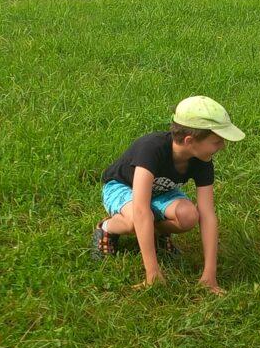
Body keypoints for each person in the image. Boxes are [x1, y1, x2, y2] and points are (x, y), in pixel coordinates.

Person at [92, 95, 245, 291]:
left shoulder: (202, 160)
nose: (222, 146)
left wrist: (210, 274)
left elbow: (207, 214)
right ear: (189, 140)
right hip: (123, 187)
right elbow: (140, 210)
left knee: (189, 216)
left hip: (161, 191)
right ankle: (107, 227)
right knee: (134, 221)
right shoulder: (151, 148)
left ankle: (153, 234)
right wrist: (152, 273)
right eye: (217, 141)